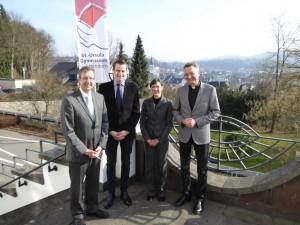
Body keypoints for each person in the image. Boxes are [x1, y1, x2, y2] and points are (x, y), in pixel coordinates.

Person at [60, 66, 109, 225]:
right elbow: (69, 131)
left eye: (91, 78)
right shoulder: (69, 100)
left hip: (96, 151)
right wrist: (84, 150)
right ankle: (77, 216)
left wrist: (101, 145)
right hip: (78, 153)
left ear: (95, 80)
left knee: (93, 183)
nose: (88, 81)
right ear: (79, 80)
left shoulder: (100, 98)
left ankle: (92, 208)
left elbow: (105, 125)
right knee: (77, 188)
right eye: (85, 78)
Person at [172, 62, 220, 214]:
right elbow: (174, 110)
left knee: (202, 169)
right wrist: (182, 120)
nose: (189, 77)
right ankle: (185, 194)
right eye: (186, 74)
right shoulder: (180, 90)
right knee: (184, 167)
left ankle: (200, 198)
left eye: (192, 73)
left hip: (201, 134)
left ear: (198, 73)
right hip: (185, 134)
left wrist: (197, 121)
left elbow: (216, 112)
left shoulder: (210, 90)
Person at [98, 59, 140, 209]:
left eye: (123, 71)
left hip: (127, 133)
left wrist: (126, 130)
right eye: (117, 70)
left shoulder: (134, 88)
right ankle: (110, 194)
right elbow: (100, 113)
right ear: (113, 71)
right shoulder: (103, 88)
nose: (120, 73)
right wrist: (110, 131)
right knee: (110, 164)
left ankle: (124, 191)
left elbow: (136, 113)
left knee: (126, 163)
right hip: (110, 133)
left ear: (126, 72)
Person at [140, 79, 173, 202]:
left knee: (161, 166)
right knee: (149, 166)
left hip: (162, 141)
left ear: (162, 87)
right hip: (148, 140)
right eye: (153, 87)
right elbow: (142, 122)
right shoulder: (146, 103)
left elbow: (169, 124)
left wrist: (159, 139)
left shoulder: (168, 103)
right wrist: (148, 139)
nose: (155, 89)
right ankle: (150, 191)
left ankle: (161, 191)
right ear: (151, 88)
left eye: (157, 86)